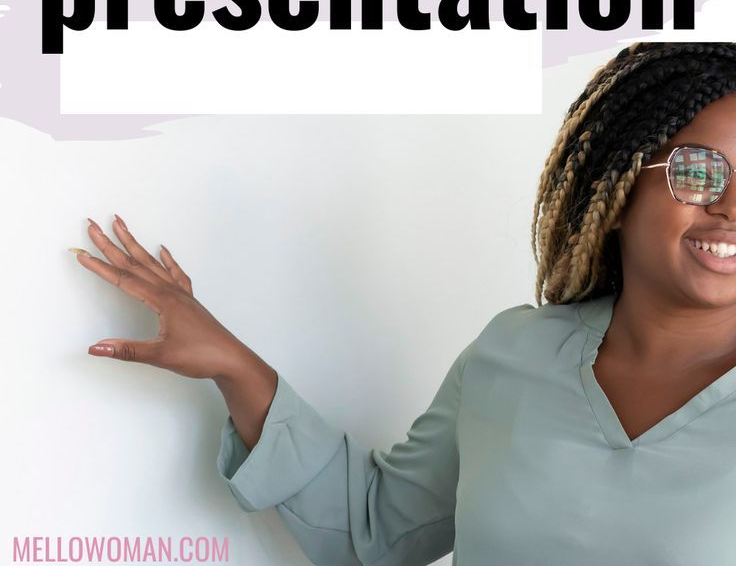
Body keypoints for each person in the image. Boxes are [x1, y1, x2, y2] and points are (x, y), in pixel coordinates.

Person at [71, 41, 736, 564]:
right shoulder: (513, 356)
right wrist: (235, 366)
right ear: (617, 185)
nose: (731, 208)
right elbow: (373, 537)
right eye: (701, 172)